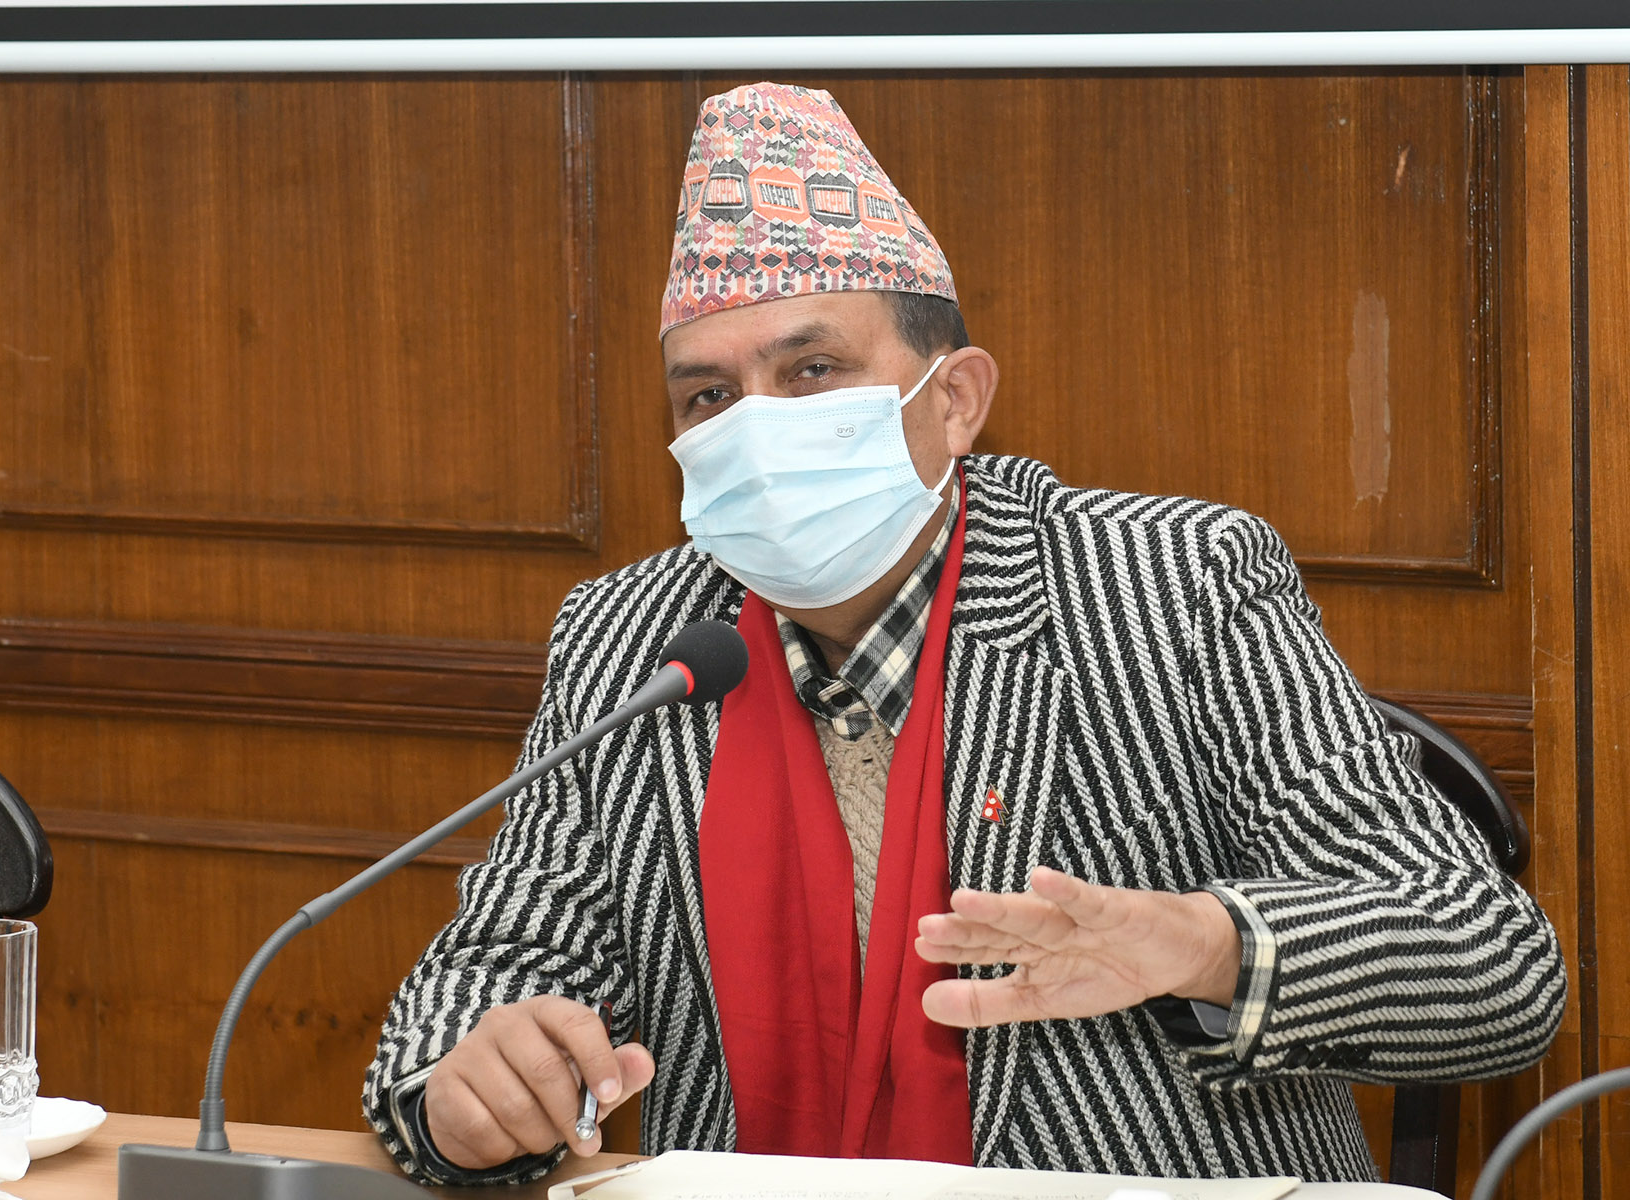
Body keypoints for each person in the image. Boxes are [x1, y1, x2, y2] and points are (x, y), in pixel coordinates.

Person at [363, 82, 1565, 1185]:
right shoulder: (630, 636)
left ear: (954, 400)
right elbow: (492, 969)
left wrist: (1210, 945)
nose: (755, 428)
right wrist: (463, 1091)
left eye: (812, 369)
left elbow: (1494, 965)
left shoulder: (1175, 585)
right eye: (709, 396)